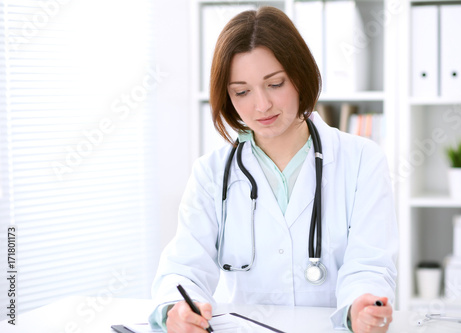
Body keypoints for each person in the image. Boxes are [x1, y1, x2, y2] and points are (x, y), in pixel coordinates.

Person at [149, 6, 398, 333]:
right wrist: (177, 311)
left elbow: (370, 266)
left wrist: (361, 308)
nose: (261, 105)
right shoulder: (211, 173)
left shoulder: (362, 160)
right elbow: (184, 269)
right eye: (241, 91)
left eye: (275, 84)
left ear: (300, 76)